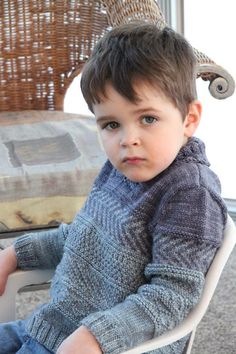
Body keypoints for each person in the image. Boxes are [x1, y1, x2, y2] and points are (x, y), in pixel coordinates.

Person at [0, 22, 227, 354]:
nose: (127, 139)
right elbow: (80, 235)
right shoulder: (122, 170)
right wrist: (15, 253)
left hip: (108, 345)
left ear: (189, 119)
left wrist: (97, 336)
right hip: (54, 326)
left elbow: (171, 298)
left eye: (148, 119)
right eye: (111, 124)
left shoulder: (189, 195)